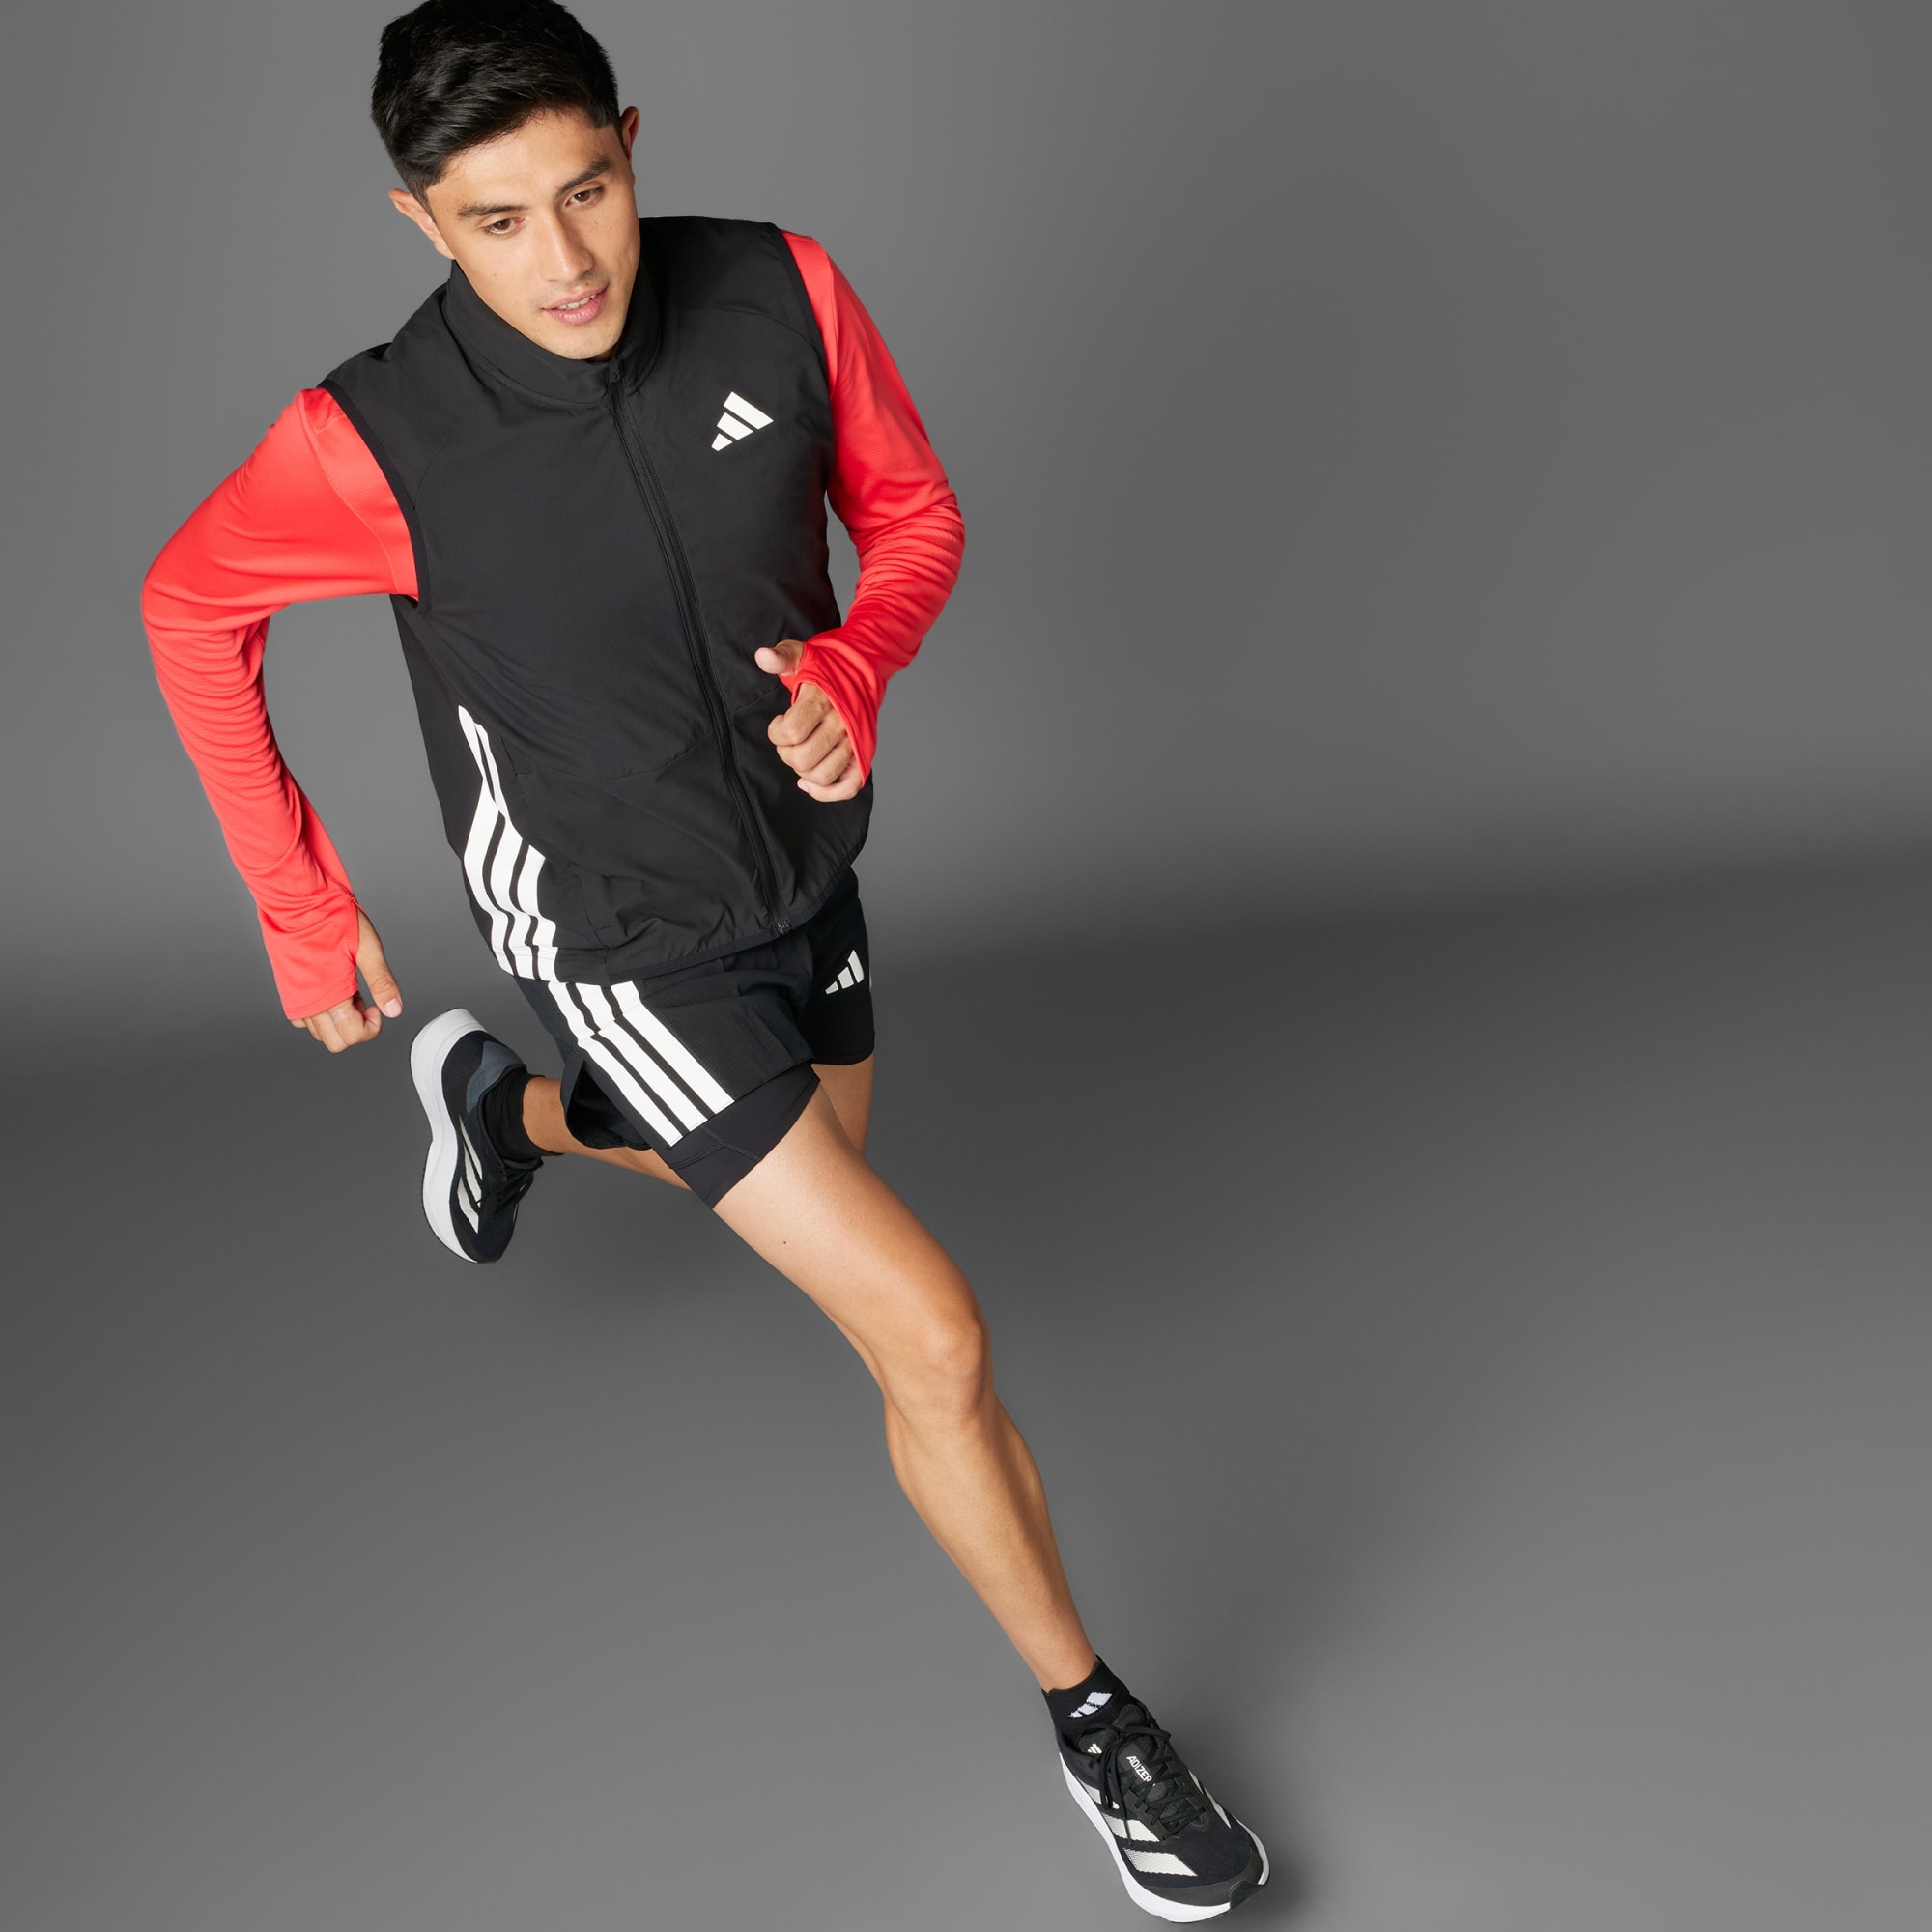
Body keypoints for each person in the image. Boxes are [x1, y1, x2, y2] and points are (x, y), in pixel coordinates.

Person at [141, 2, 1266, 1918]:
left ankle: (502, 1113)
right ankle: (1097, 1723)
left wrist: (857, 664)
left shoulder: (779, 291)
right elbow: (187, 607)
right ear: (421, 220)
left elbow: (913, 515)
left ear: (633, 141)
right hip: (611, 931)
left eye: (587, 189)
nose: (565, 260)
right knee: (929, 1332)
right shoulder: (370, 441)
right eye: (498, 221)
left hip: (801, 872)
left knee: (774, 1153)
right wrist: (296, 899)